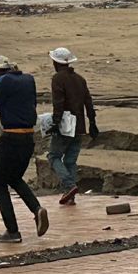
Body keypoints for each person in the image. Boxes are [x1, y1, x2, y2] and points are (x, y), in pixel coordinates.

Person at [0, 55, 50, 243]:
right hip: (28, 137)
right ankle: (36, 209)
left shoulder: (4, 82)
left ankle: (12, 231)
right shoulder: (28, 80)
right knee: (14, 178)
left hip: (11, 137)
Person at [47, 47, 98, 206]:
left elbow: (59, 104)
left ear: (56, 62)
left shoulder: (57, 79)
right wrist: (93, 123)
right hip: (79, 126)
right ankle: (71, 196)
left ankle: (69, 186)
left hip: (65, 125)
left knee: (53, 156)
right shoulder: (80, 79)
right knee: (70, 161)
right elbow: (88, 103)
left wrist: (55, 123)